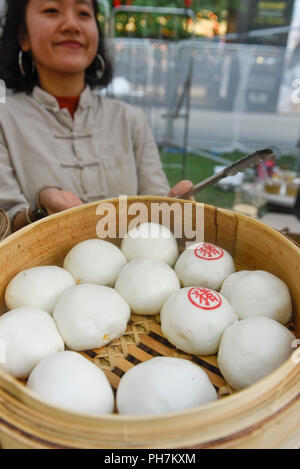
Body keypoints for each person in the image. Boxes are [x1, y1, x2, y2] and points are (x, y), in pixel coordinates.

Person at [0, 0, 193, 233]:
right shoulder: (4, 120)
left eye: (83, 13)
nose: (72, 24)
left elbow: (157, 204)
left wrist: (173, 209)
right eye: (52, 10)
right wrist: (38, 210)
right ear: (23, 37)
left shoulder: (130, 119)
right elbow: (5, 228)